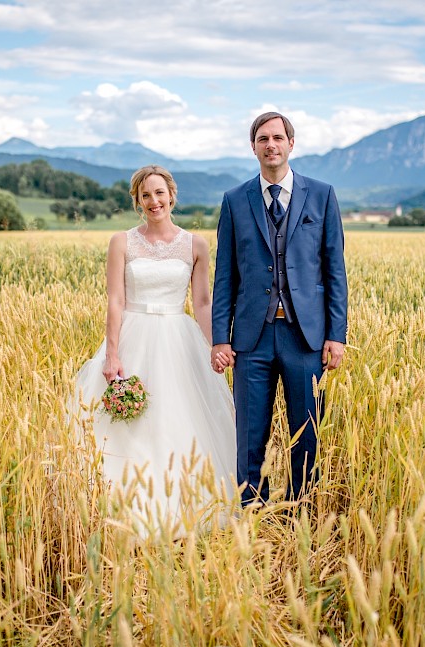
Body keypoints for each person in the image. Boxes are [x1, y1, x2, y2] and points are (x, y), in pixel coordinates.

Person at [75, 165, 237, 532]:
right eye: (145, 195)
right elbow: (115, 300)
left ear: (171, 196)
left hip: (179, 340)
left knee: (181, 418)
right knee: (131, 425)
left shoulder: (195, 244)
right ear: (137, 201)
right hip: (134, 335)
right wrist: (113, 354)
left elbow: (202, 302)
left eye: (159, 193)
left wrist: (216, 347)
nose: (154, 201)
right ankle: (128, 507)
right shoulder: (122, 242)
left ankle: (183, 508)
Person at [211, 111, 348, 507]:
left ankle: (302, 513)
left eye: (277, 138)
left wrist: (336, 335)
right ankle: (253, 512)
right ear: (253, 147)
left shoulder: (321, 195)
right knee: (249, 434)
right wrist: (222, 337)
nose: (270, 145)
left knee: (306, 432)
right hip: (252, 338)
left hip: (304, 336)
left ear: (291, 144)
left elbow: (334, 271)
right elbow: (225, 278)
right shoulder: (236, 200)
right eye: (262, 139)